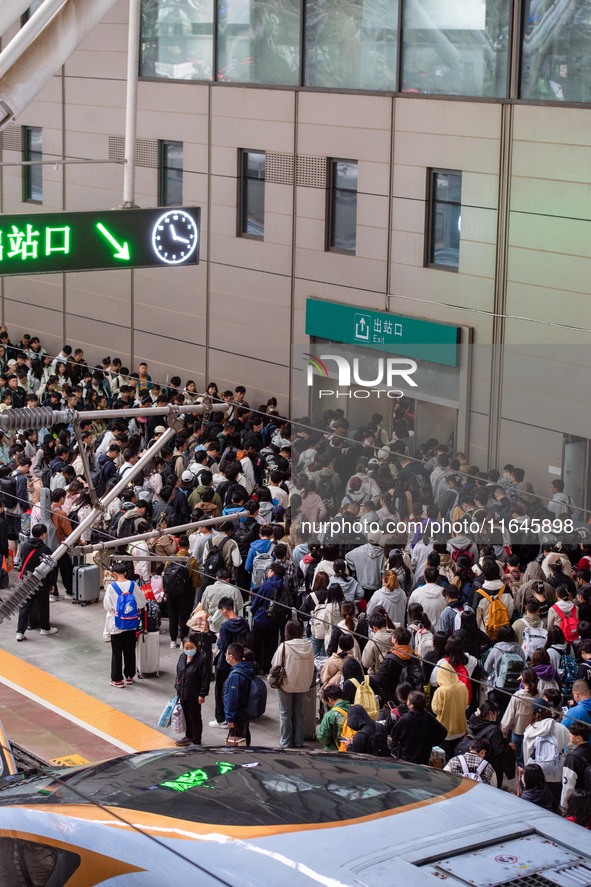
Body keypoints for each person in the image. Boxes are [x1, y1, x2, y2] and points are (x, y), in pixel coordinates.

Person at [270, 620, 315, 749]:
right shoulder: (308, 646)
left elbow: (275, 664)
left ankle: (286, 742)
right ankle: (298, 741)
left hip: (286, 684)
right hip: (303, 684)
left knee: (285, 713)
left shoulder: (285, 646)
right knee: (299, 712)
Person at [209, 596, 250, 729]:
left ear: (225, 610)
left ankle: (221, 719)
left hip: (225, 662)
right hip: (239, 661)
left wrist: (219, 638)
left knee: (221, 689)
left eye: (221, 610)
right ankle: (233, 716)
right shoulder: (244, 622)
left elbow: (223, 645)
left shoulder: (225, 626)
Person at [103, 561, 146, 687]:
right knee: (130, 650)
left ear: (114, 574)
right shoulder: (133, 585)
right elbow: (142, 602)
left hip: (117, 624)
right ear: (126, 572)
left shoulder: (112, 587)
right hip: (131, 623)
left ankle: (117, 680)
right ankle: (129, 676)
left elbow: (107, 606)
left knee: (117, 652)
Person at [522, 699, 572, 803]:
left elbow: (527, 757)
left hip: (536, 777)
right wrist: (564, 757)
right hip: (556, 775)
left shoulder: (529, 731)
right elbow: (573, 746)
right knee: (554, 805)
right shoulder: (560, 728)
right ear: (549, 711)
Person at [16, 523, 59, 642]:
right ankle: (45, 628)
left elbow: (22, 562)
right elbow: (51, 570)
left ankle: (20, 632)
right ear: (43, 534)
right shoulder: (46, 550)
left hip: (27, 581)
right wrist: (52, 584)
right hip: (42, 583)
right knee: (43, 606)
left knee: (25, 607)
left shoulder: (24, 546)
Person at [390, 690, 447, 764]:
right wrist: (430, 742)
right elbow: (443, 732)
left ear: (411, 705)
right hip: (423, 757)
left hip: (406, 759)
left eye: (408, 700)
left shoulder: (405, 720)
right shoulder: (428, 717)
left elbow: (394, 736)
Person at [174, 633, 210, 747]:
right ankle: (188, 736)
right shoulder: (182, 657)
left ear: (196, 647)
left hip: (194, 694)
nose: (189, 650)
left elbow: (205, 678)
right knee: (186, 715)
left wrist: (202, 694)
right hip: (183, 692)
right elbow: (178, 673)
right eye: (186, 648)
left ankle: (196, 740)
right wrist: (177, 687)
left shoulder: (201, 660)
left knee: (195, 717)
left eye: (191, 647)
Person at [501, 667, 539, 768]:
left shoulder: (517, 696)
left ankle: (522, 780)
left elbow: (509, 716)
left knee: (519, 759)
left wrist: (503, 732)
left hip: (518, 732)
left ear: (522, 680)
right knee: (531, 757)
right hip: (534, 732)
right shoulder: (539, 696)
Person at [431, 662, 469, 759]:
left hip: (445, 731)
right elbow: (466, 705)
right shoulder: (463, 687)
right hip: (461, 728)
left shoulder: (441, 691)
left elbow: (436, 710)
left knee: (446, 758)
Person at [223, 642, 256, 746]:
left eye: (226, 654)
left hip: (237, 716)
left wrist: (230, 719)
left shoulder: (236, 676)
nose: (225, 656)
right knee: (244, 737)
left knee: (237, 742)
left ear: (231, 657)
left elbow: (232, 699)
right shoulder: (247, 669)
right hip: (244, 713)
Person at [561, 723, 591, 812]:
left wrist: (564, 806)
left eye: (571, 734)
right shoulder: (589, 750)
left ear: (578, 738)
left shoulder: (573, 758)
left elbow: (568, 786)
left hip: (578, 803)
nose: (569, 735)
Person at [316, 683, 351, 751]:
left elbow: (322, 736)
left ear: (330, 699)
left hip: (334, 750)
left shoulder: (330, 715)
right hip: (352, 749)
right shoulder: (354, 708)